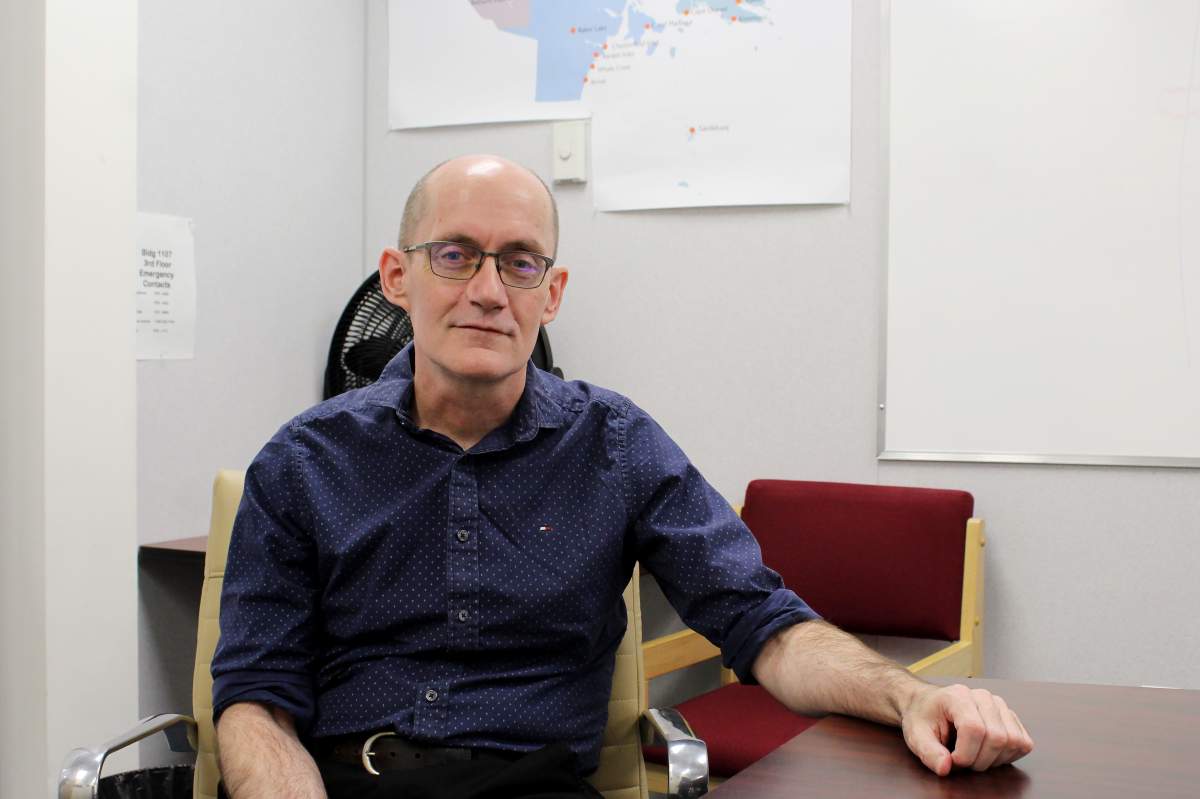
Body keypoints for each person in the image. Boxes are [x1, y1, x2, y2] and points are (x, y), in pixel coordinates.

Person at [212, 154, 1033, 799]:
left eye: (522, 263)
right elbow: (257, 697)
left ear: (553, 292)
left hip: (531, 787)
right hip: (348, 780)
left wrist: (913, 699)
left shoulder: (615, 446)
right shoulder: (303, 463)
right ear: (398, 277)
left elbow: (764, 623)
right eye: (456, 255)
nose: (490, 292)